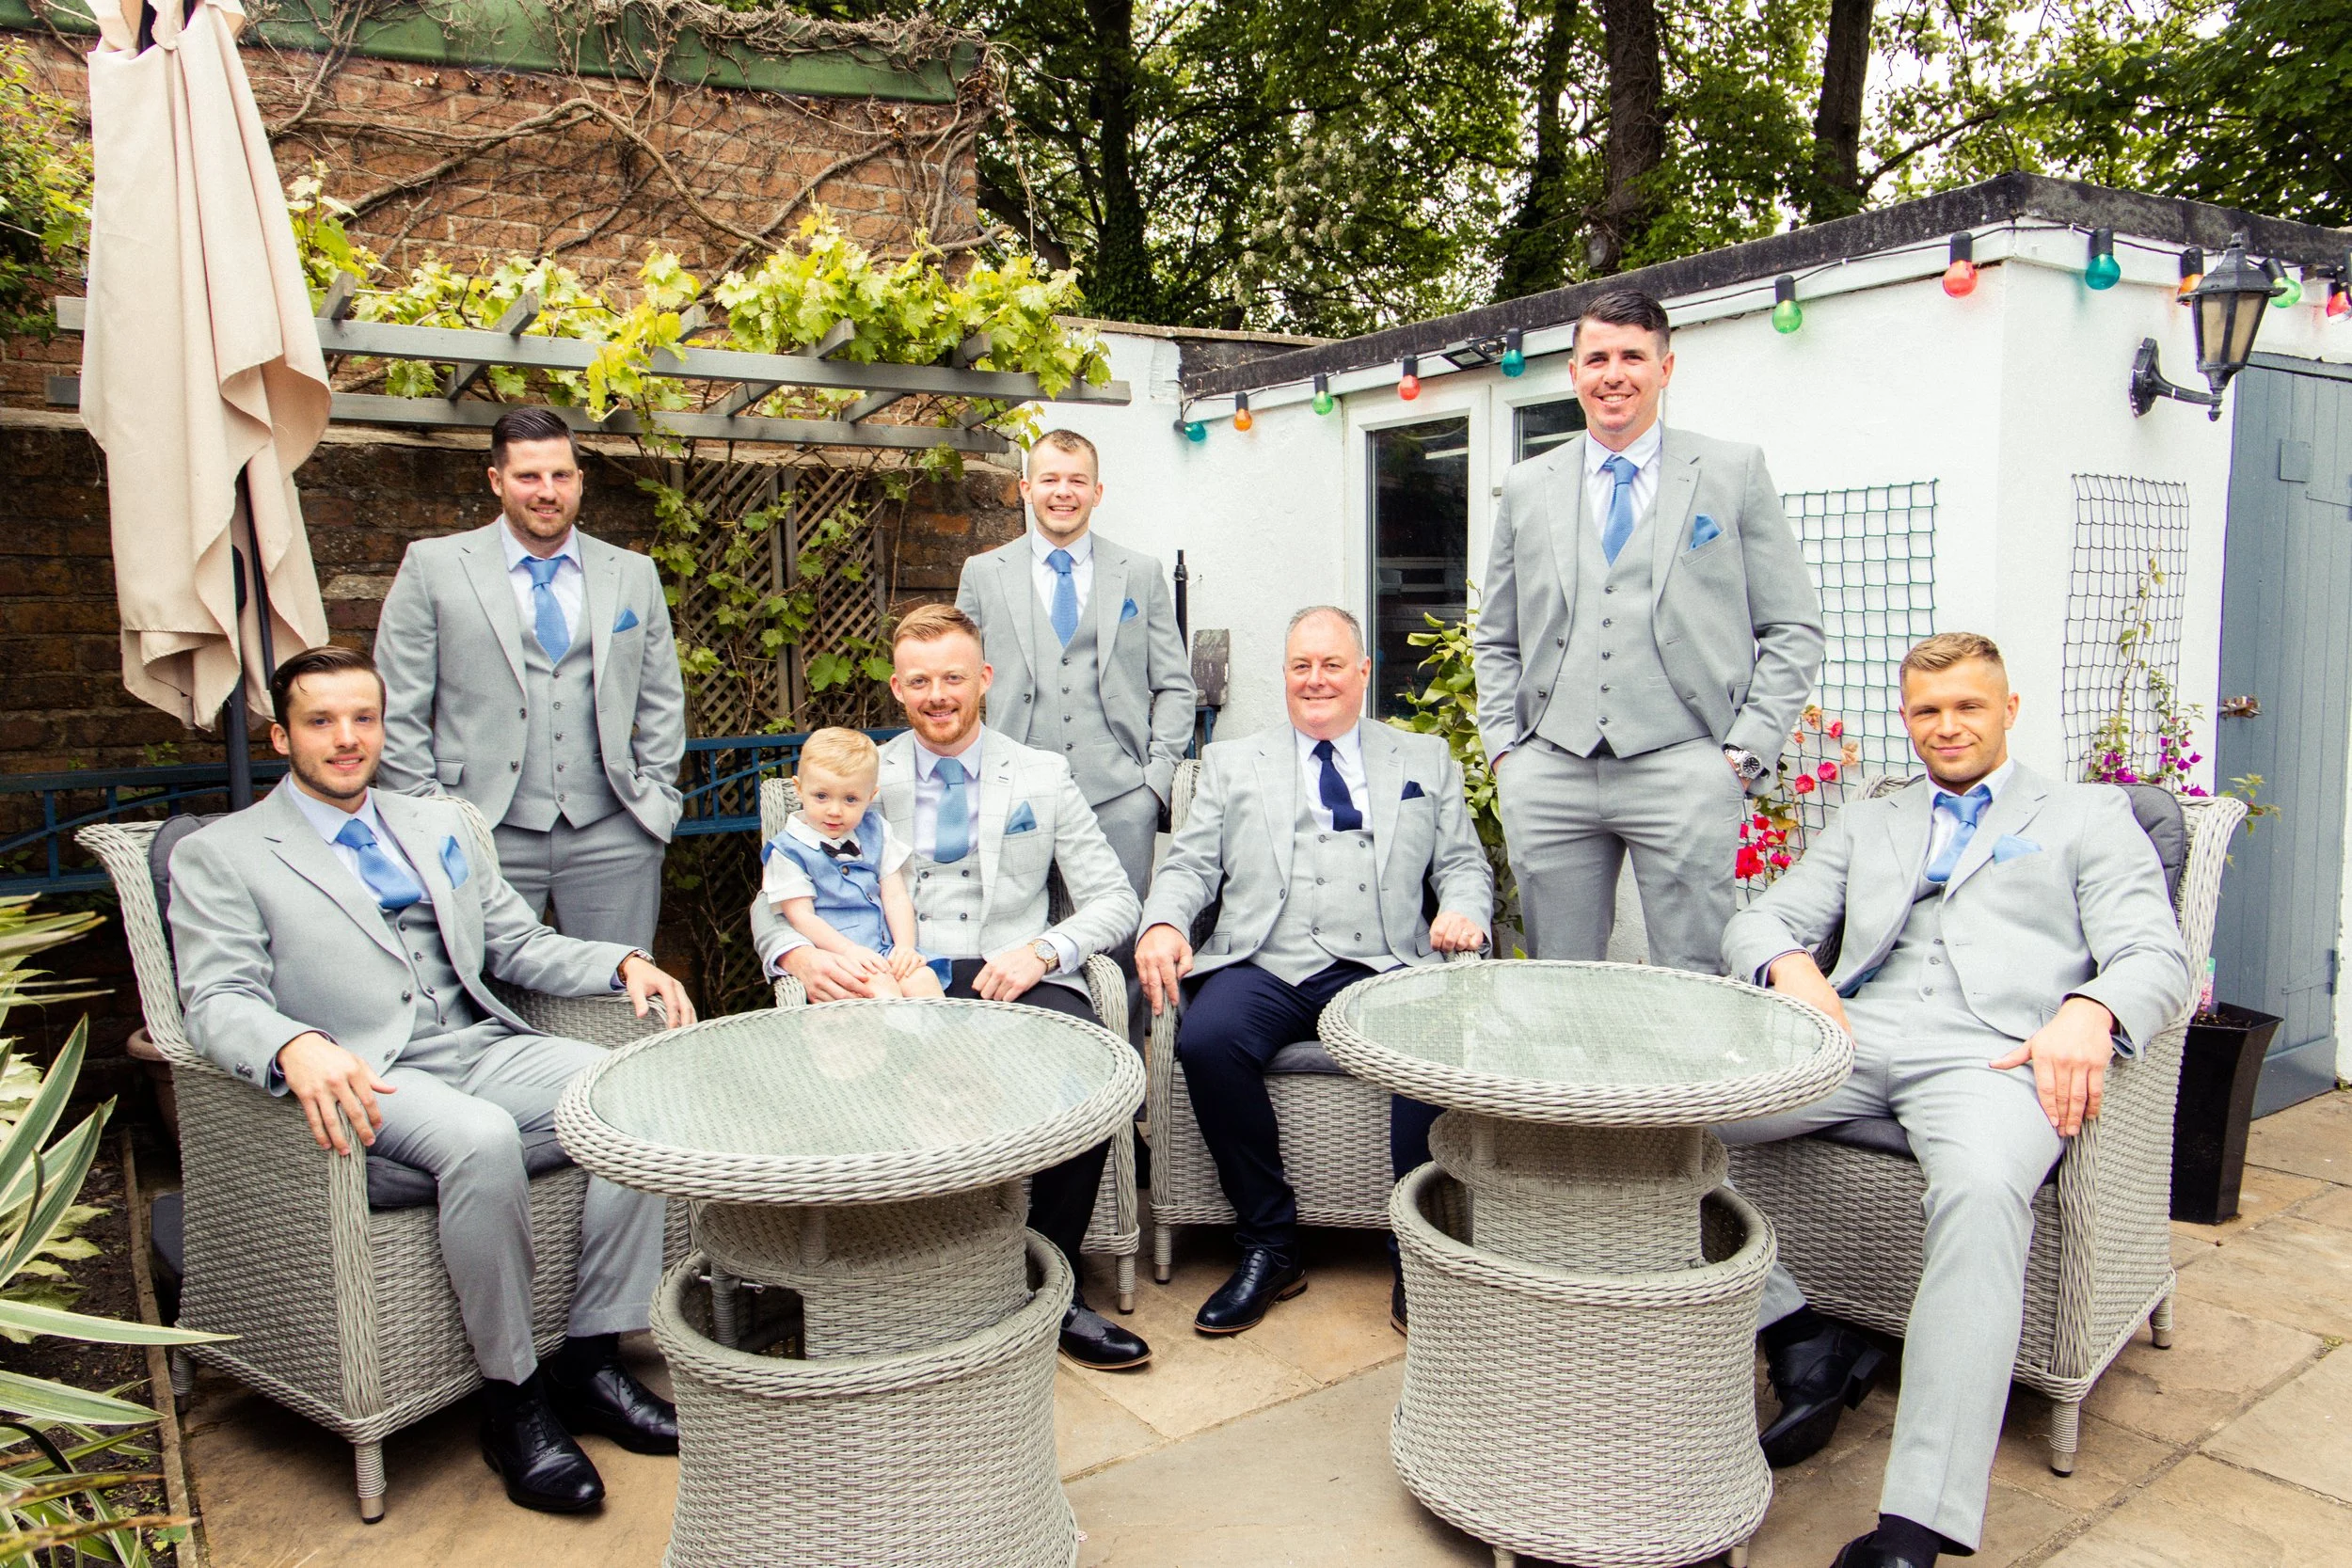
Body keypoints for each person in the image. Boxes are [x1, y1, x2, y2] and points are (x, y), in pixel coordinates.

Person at [166, 645, 700, 1515]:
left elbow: (516, 945)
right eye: (321, 721)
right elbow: (215, 998)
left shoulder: (438, 825)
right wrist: (292, 1042)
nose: (347, 739)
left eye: (363, 718)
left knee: (636, 1087)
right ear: (281, 735)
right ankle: (515, 1401)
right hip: (368, 1074)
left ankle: (592, 1360)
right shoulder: (225, 853)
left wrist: (622, 962)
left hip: (480, 1045)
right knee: (481, 1138)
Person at [1720, 633, 2190, 1568]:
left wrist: (2090, 1010)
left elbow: (2154, 953)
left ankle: (1914, 1525)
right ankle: (1797, 1331)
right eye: (1927, 710)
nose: (1947, 726)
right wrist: (1791, 966)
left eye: (1967, 706)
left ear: (2008, 709)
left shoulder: (2087, 815)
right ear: (1908, 719)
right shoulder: (1873, 817)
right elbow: (1760, 914)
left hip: (1996, 1056)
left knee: (1980, 1194)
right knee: (1670, 1122)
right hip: (1855, 1035)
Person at [748, 604, 1151, 1370]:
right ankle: (899, 1288)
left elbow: (1115, 898)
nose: (939, 695)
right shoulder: (862, 777)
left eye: (954, 679)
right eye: (921, 681)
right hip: (896, 983)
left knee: (1092, 1073)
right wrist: (795, 959)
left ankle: (1057, 1284)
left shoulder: (1042, 773)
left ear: (984, 680)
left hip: (1011, 975)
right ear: (898, 688)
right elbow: (772, 897)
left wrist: (1043, 949)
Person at [1135, 607, 1492, 1337]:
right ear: (1285, 675)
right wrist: (1165, 921)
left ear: (1364, 672)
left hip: (1385, 962)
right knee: (1206, 1039)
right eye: (1301, 665)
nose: (1315, 679)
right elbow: (1191, 864)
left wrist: (1463, 910)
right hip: (1268, 958)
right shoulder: (1235, 763)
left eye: (1332, 664)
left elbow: (1462, 864)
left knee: (1425, 1045)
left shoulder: (1423, 760)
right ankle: (1271, 1241)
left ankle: (1412, 1249)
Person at [1471, 284, 1823, 973]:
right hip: (1552, 769)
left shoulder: (1731, 471)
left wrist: (1739, 757)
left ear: (1665, 367)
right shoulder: (1527, 485)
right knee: (1558, 982)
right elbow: (1497, 635)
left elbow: (1793, 627)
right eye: (1597, 357)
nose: (1614, 374)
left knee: (1696, 979)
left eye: (1633, 355)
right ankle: (1569, 1086)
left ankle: (1688, 1086)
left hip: (1686, 765)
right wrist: (1506, 754)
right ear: (1573, 373)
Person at [375, 405, 687, 950]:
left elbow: (660, 696)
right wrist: (431, 819)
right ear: (497, 481)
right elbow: (396, 704)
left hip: (612, 831)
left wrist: (657, 799)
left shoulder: (632, 573)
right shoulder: (434, 566)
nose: (547, 491)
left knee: (621, 1002)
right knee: (487, 1001)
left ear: (579, 480)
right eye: (528, 476)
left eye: (561, 475)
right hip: (481, 830)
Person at [956, 429, 1194, 897]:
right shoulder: (982, 574)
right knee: (1017, 931)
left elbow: (1174, 685)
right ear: (1026, 489)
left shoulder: (1140, 573)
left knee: (1123, 938)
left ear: (1097, 492)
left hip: (1122, 796)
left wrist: (1155, 780)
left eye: (1077, 481)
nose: (1063, 492)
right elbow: (956, 684)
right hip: (1014, 792)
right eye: (1049, 480)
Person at [761, 727, 944, 999]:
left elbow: (894, 894)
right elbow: (801, 916)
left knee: (923, 980)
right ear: (799, 789)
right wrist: (849, 951)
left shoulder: (875, 831)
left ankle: (941, 1043)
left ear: (870, 796)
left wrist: (905, 947)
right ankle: (894, 1043)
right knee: (883, 991)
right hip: (837, 957)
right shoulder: (788, 850)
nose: (835, 810)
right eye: (821, 796)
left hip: (883, 951)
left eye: (850, 799)